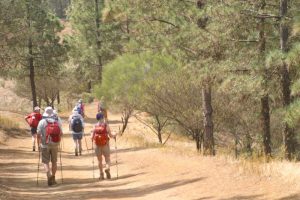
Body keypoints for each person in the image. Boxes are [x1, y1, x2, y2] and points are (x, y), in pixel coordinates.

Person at [37, 106, 63, 186]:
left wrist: (38, 144)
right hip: (55, 144)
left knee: (46, 162)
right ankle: (53, 178)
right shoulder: (56, 121)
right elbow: (61, 133)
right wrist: (58, 141)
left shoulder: (42, 122)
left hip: (45, 144)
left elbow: (38, 134)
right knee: (54, 162)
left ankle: (49, 176)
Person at [91, 112, 115, 180]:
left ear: (97, 118)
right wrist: (114, 135)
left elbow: (92, 137)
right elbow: (110, 135)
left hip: (97, 145)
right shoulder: (106, 125)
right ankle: (107, 168)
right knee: (107, 159)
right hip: (105, 144)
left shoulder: (95, 126)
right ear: (102, 118)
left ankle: (101, 175)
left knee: (99, 160)